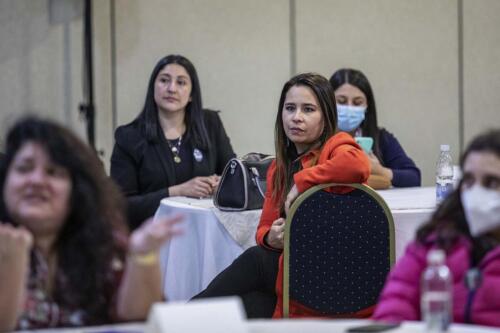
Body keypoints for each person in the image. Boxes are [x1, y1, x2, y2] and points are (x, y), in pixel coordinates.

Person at [193, 73, 370, 318]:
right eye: (290, 108)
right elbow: (263, 228)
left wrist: (303, 182)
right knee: (237, 307)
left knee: (254, 261)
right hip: (293, 279)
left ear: (326, 116)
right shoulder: (280, 167)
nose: (296, 117)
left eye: (308, 109)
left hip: (333, 275)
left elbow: (359, 166)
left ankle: (173, 319)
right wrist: (271, 237)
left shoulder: (336, 145)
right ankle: (179, 320)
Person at [0, 117, 183, 331]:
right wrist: (9, 263)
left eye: (53, 172)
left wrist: (143, 256)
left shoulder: (101, 242)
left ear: (76, 190)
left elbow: (136, 321)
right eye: (24, 168)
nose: (37, 180)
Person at [373, 129, 500, 327]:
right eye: (469, 180)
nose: (476, 192)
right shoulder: (436, 241)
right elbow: (395, 303)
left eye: (491, 183)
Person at [111, 54, 235, 229]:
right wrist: (177, 191)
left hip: (203, 231)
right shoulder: (129, 137)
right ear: (153, 87)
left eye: (181, 82)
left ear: (192, 94)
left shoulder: (210, 123)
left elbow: (233, 174)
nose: (172, 88)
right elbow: (122, 206)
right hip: (152, 237)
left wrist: (220, 183)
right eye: (164, 80)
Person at [330, 68, 420, 188]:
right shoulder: (317, 138)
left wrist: (379, 170)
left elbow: (414, 178)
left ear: (367, 105)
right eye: (341, 101)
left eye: (357, 103)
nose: (349, 107)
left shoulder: (381, 138)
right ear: (328, 102)